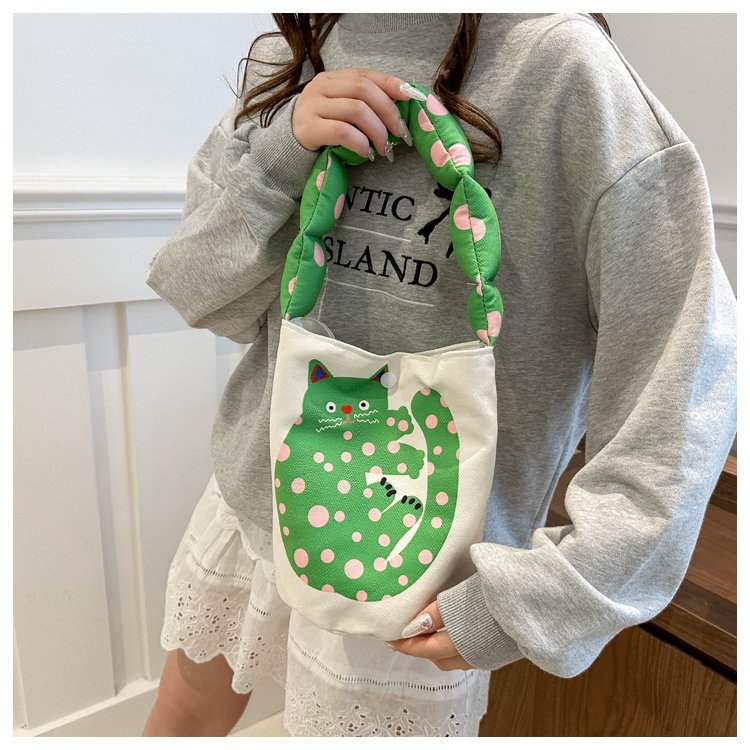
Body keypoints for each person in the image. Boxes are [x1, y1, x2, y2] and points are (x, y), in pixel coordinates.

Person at [141, 13, 737, 738]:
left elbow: (686, 376)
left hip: (416, 559)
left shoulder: (566, 72)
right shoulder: (290, 54)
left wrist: (547, 596)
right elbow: (195, 289)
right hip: (255, 495)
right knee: (182, 719)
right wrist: (279, 155)